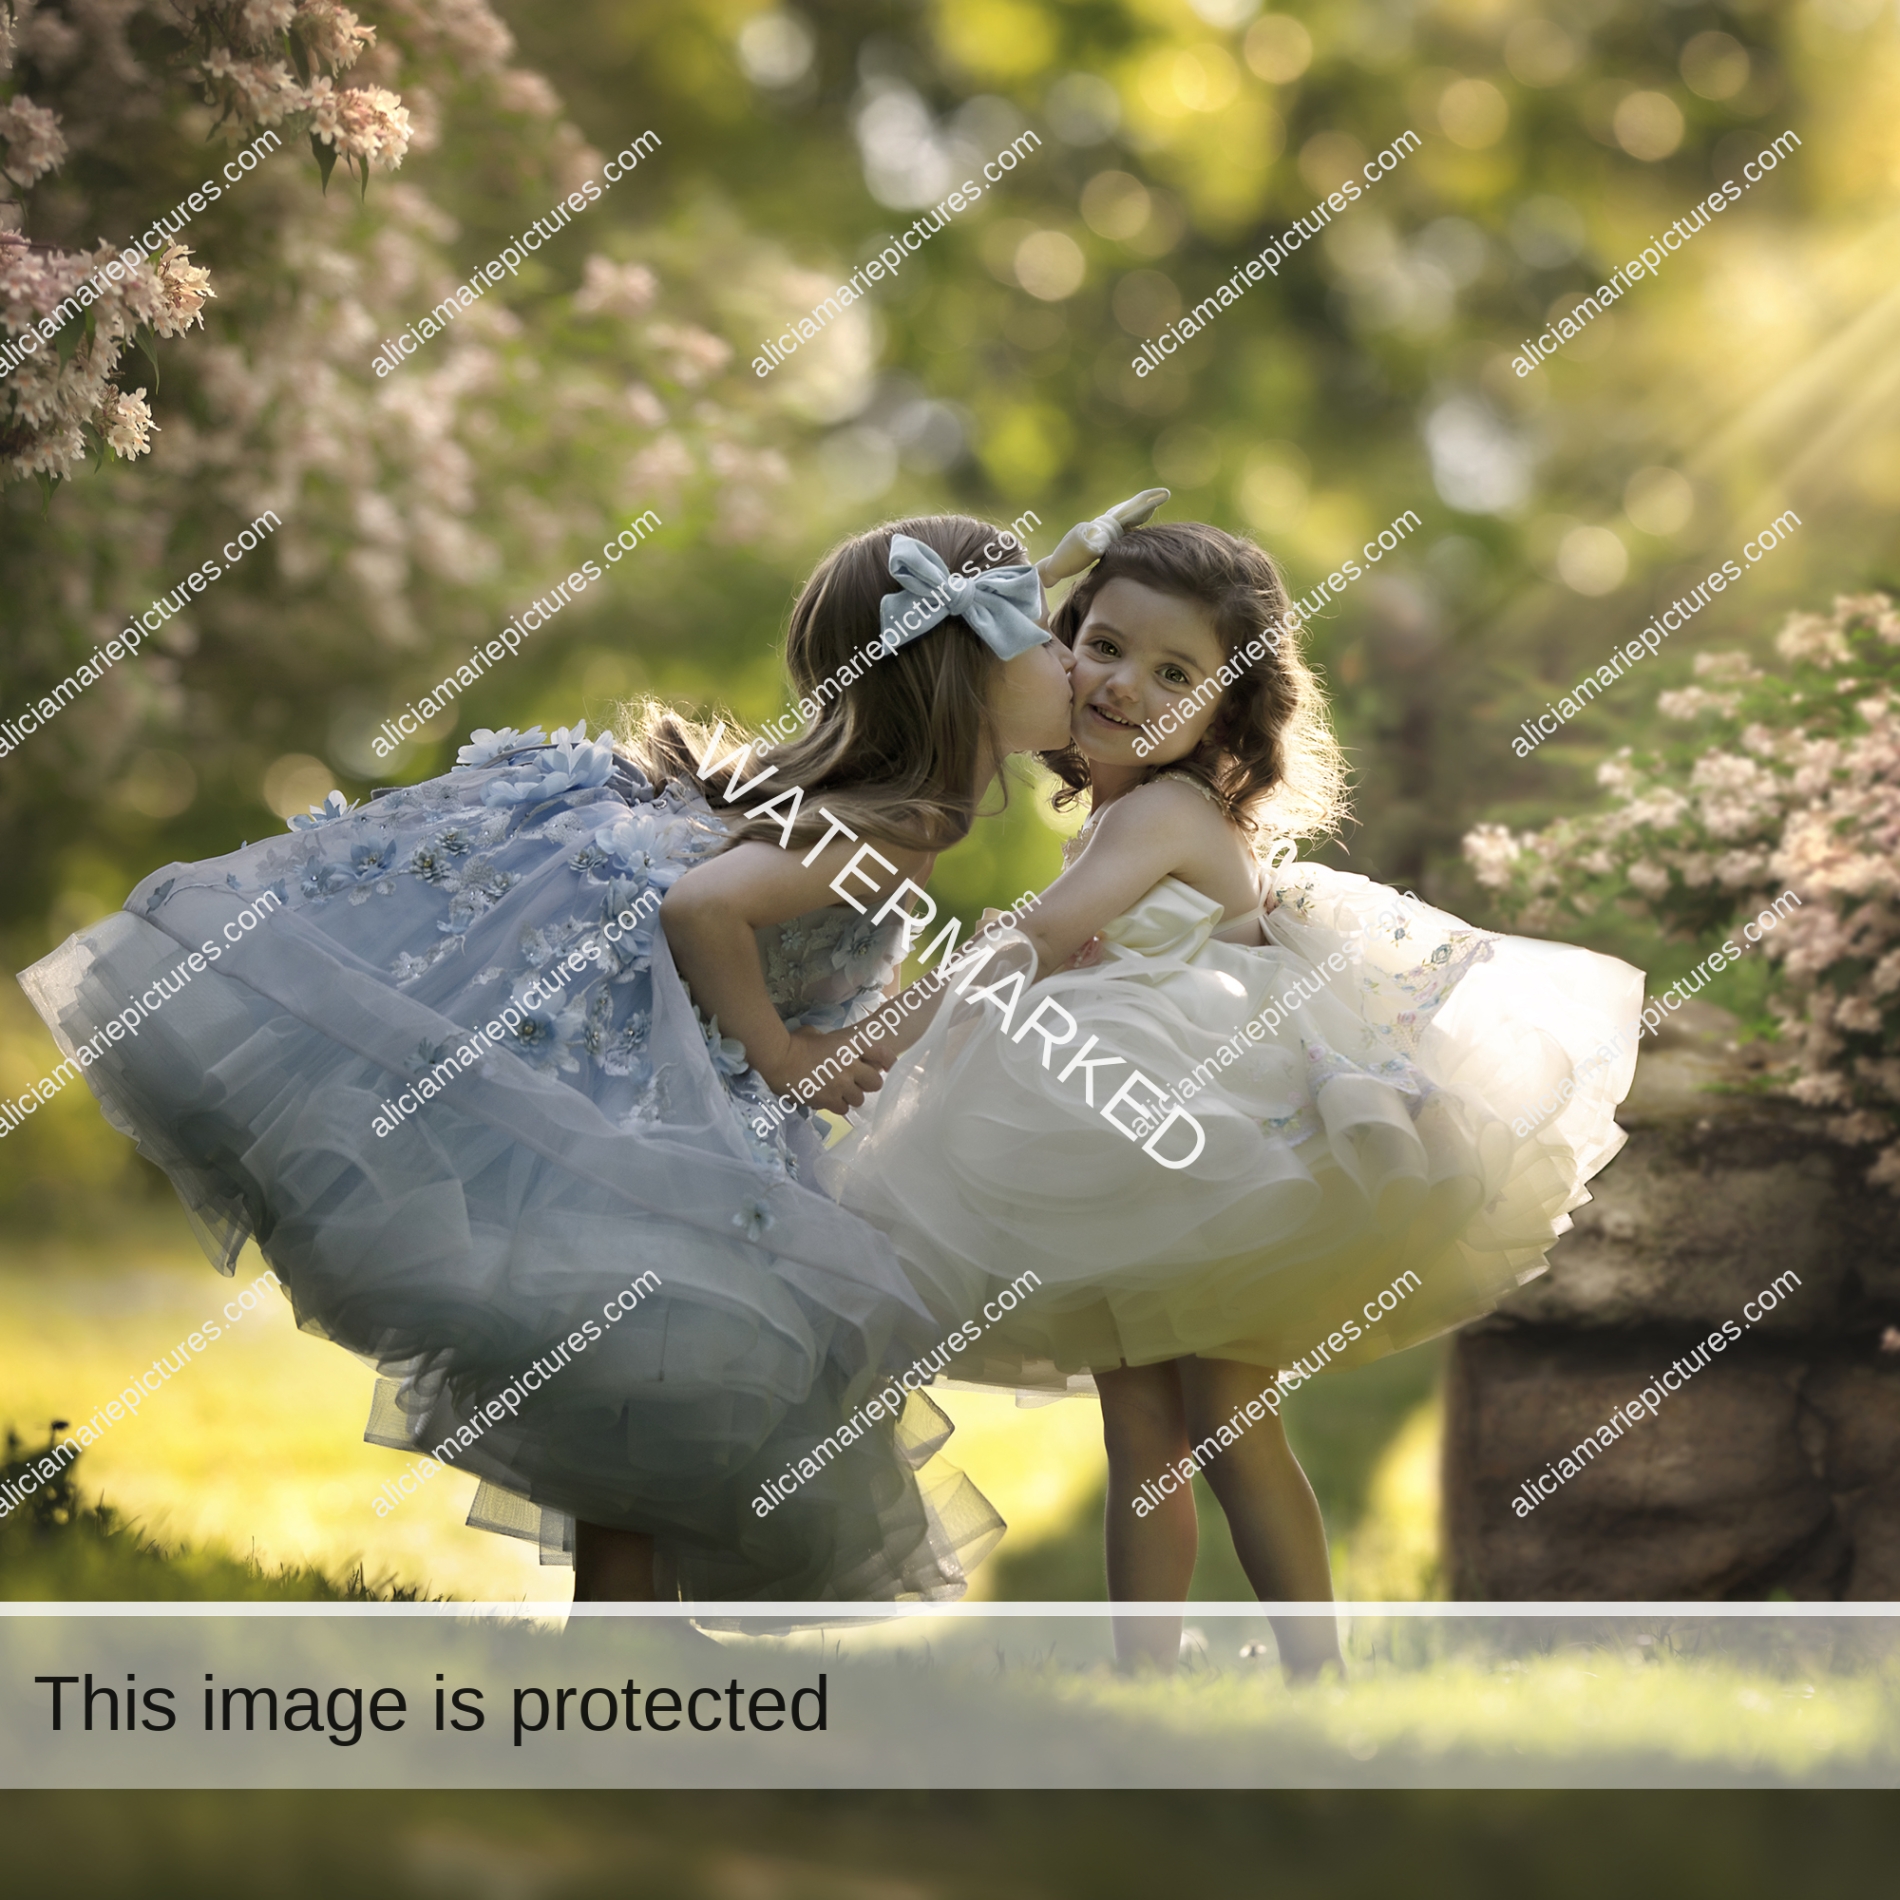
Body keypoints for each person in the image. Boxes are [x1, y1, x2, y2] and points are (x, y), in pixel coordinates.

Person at [15, 510, 1078, 1605]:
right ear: (972, 667)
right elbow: (706, 906)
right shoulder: (894, 824)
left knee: (643, 1363)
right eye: (1046, 634)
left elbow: (805, 963)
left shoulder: (876, 805)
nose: (1068, 659)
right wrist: (780, 1056)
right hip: (661, 1082)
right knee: (666, 1350)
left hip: (648, 1073)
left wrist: (896, 1010)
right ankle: (620, 1628)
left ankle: (623, 1625)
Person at [823, 519, 1642, 1675]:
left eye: (1174, 674)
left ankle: (1305, 1667)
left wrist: (876, 1039)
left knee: (1219, 1420)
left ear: (1226, 708)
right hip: (1154, 1140)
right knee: (1161, 1425)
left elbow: (1040, 941)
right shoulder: (1118, 816)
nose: (1124, 687)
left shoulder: (1165, 812)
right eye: (1103, 646)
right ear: (1057, 649)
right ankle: (1162, 1668)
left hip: (1209, 1142)